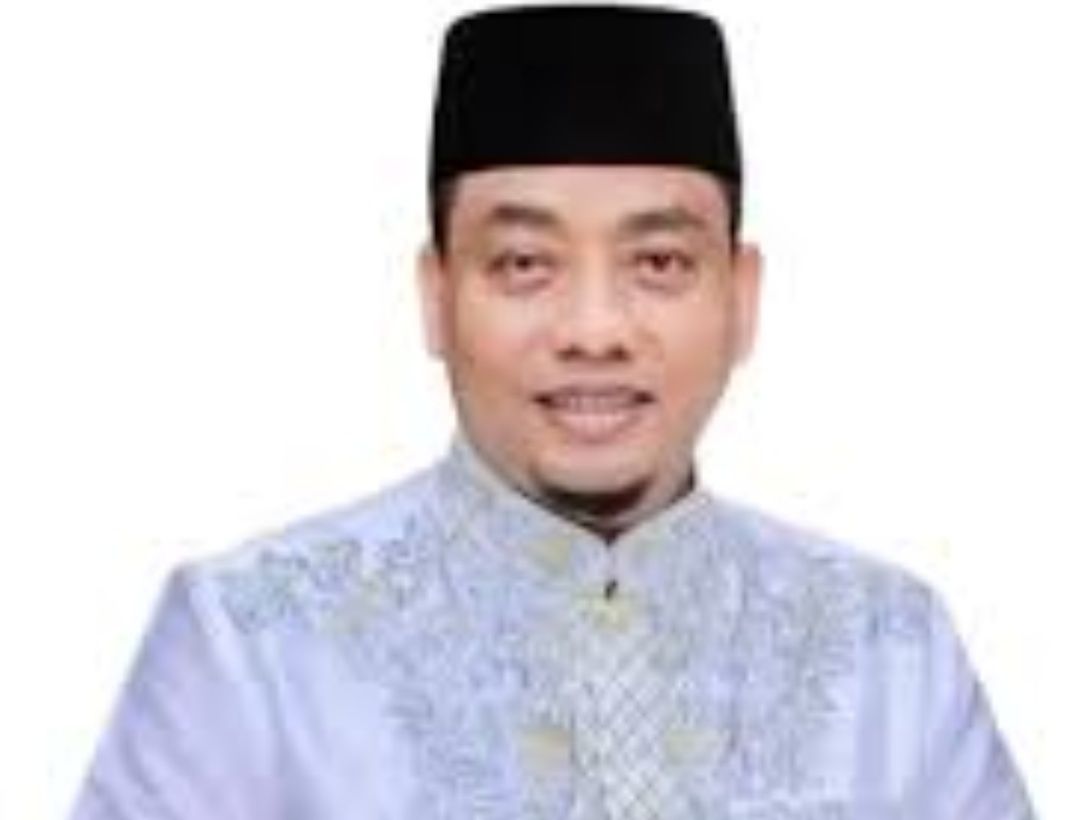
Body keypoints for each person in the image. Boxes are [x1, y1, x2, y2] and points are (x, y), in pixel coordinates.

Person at [69, 5, 1035, 818]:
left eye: (660, 262)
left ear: (741, 299)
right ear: (437, 296)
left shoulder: (891, 651)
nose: (593, 330)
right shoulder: (249, 647)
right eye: (525, 264)